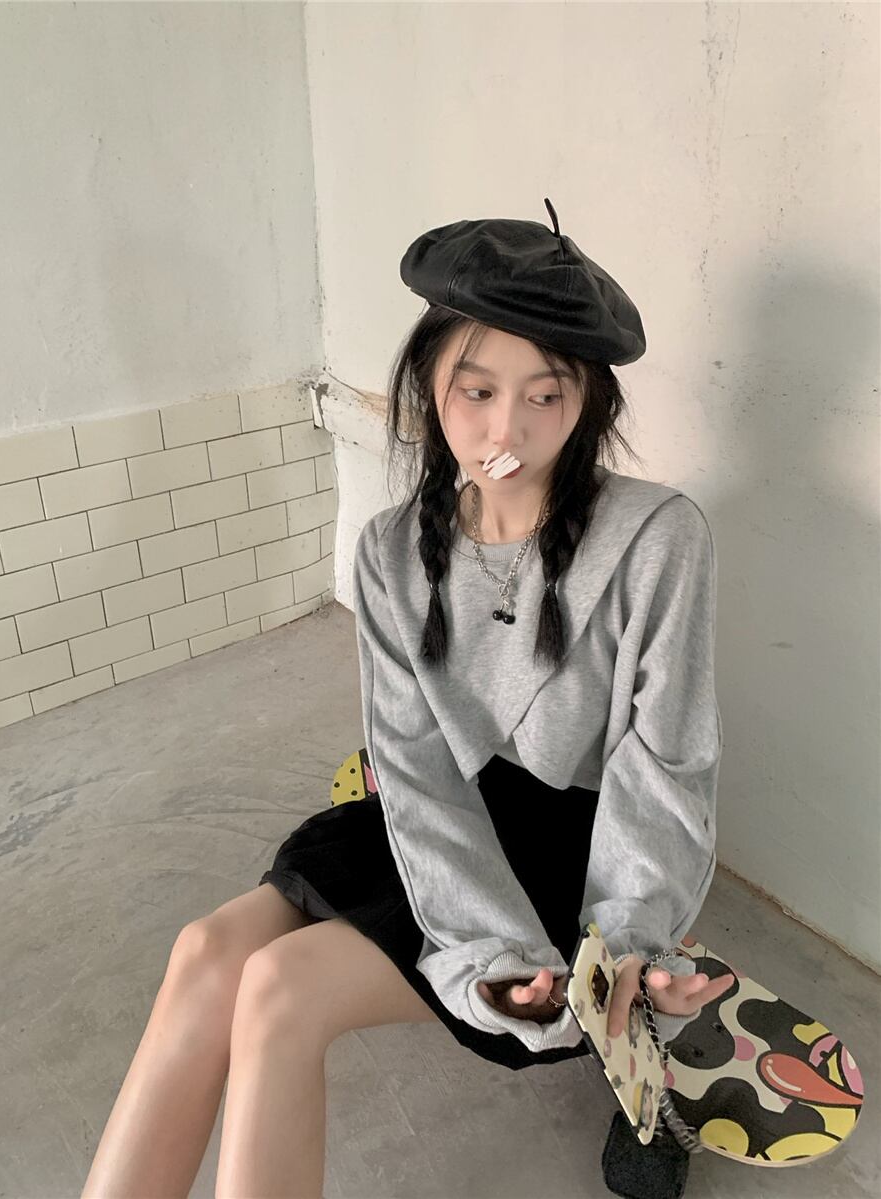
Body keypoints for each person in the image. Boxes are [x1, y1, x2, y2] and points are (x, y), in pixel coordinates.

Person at [80, 200, 734, 1199]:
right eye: (477, 389)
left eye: (545, 394)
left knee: (281, 989)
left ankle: (638, 1073)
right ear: (430, 383)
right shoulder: (390, 549)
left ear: (587, 402)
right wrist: (482, 944)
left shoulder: (658, 538)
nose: (505, 429)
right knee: (208, 950)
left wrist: (623, 950)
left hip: (582, 847)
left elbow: (664, 765)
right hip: (440, 825)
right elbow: (415, 769)